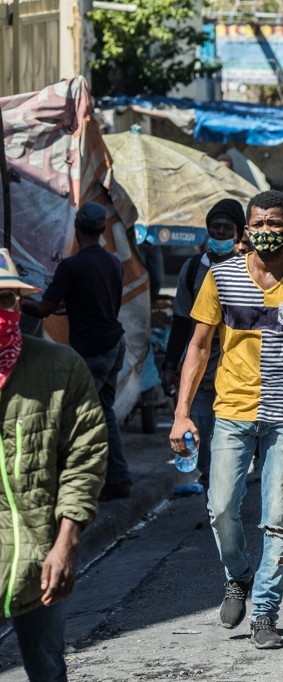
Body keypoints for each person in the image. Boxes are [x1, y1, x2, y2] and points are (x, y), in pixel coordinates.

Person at [169, 190, 283, 650]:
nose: (267, 232)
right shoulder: (221, 277)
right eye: (259, 224)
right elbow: (198, 346)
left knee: (277, 518)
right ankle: (238, 576)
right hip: (231, 413)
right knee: (220, 509)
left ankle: (266, 612)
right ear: (246, 229)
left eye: (276, 224)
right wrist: (180, 414)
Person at [0, 250, 107, 681]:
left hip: (40, 551)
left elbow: (85, 458)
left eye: (7, 301)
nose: (1, 312)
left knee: (46, 669)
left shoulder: (60, 366)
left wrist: (66, 542)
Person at [23, 201, 130, 501]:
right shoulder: (113, 262)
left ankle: (78, 483)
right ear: (101, 229)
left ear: (76, 228)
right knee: (104, 412)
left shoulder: (71, 267)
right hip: (114, 342)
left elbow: (43, 308)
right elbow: (97, 299)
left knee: (79, 416)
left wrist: (16, 299)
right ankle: (119, 478)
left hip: (93, 348)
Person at [163, 198, 245, 487]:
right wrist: (170, 364)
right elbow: (181, 320)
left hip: (237, 370)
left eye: (226, 228)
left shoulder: (248, 268)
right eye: (215, 228)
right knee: (199, 435)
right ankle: (214, 485)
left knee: (233, 438)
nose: (220, 234)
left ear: (238, 233)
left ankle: (231, 486)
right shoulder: (193, 268)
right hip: (199, 369)